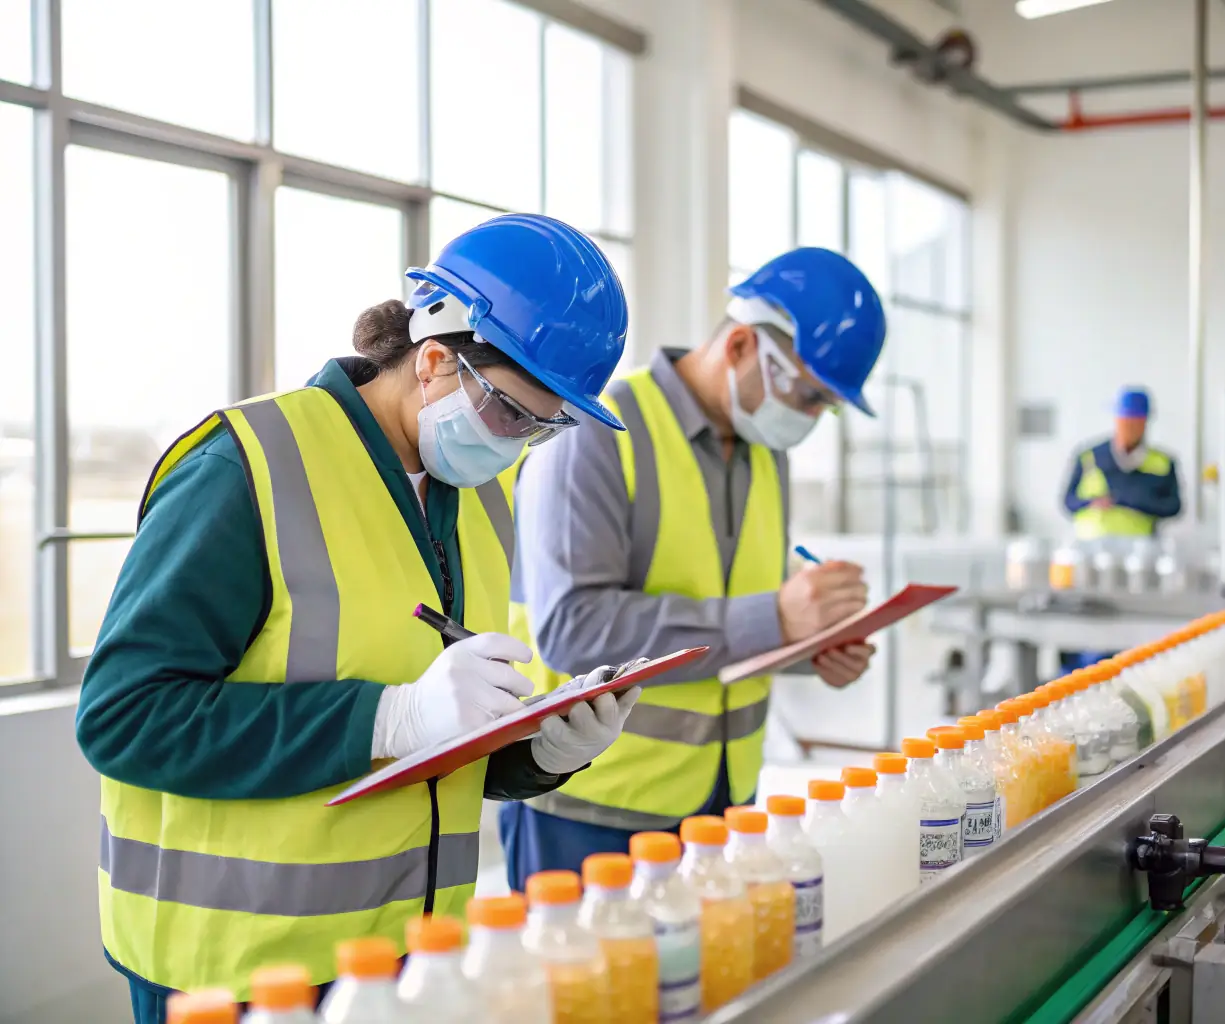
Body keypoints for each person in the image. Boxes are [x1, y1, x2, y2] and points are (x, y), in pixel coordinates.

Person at [75, 214, 642, 1023]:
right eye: (514, 414)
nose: (519, 445)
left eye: (546, 429)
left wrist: (539, 751)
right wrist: (390, 715)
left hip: (405, 965)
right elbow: (124, 719)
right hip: (237, 974)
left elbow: (435, 739)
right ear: (437, 358)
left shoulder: (477, 499)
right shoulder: (247, 465)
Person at [498, 247, 887, 889]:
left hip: (724, 809)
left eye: (828, 405)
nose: (813, 418)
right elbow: (573, 629)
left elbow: (731, 616)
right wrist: (777, 617)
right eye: (808, 394)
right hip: (593, 807)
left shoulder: (764, 453)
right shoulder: (598, 432)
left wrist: (808, 646)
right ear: (738, 346)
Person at [1063, 386, 1182, 540]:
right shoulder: (1089, 456)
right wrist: (1091, 502)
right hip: (1091, 546)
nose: (1129, 427)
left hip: (1139, 550)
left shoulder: (1163, 463)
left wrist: (1138, 503)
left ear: (1145, 423)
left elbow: (1174, 507)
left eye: (1134, 422)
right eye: (1124, 421)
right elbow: (1068, 501)